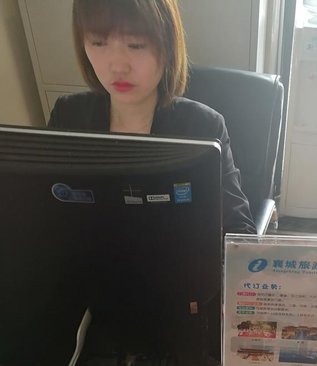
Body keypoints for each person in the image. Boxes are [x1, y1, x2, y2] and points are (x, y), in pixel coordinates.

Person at [48, 0, 256, 235]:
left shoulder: (203, 127)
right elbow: (45, 211)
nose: (118, 66)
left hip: (176, 255)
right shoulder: (68, 116)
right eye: (98, 42)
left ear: (168, 45)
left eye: (136, 45)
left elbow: (240, 232)